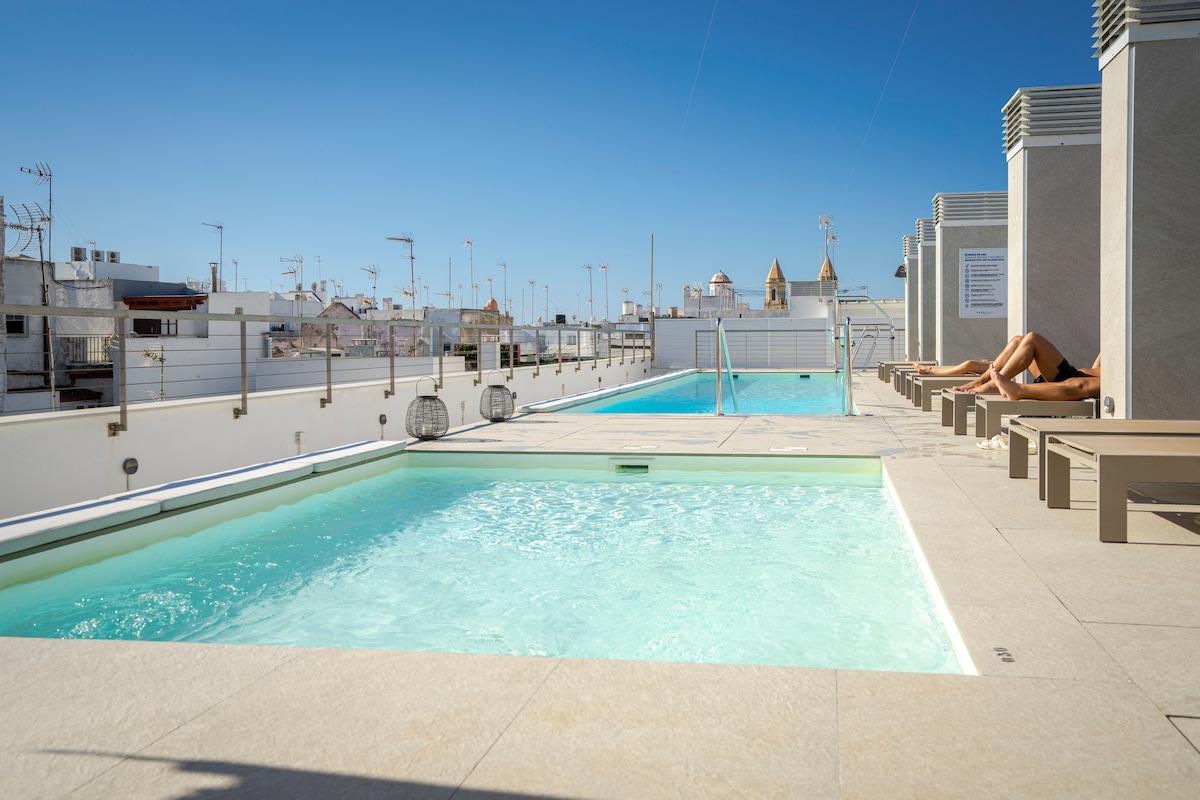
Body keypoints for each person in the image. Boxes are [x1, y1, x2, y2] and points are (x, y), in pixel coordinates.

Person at [951, 332, 1099, 395]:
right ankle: (981, 380)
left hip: (1069, 379)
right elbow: (1095, 367)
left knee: (1032, 339)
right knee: (1018, 340)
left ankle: (993, 385)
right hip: (1073, 374)